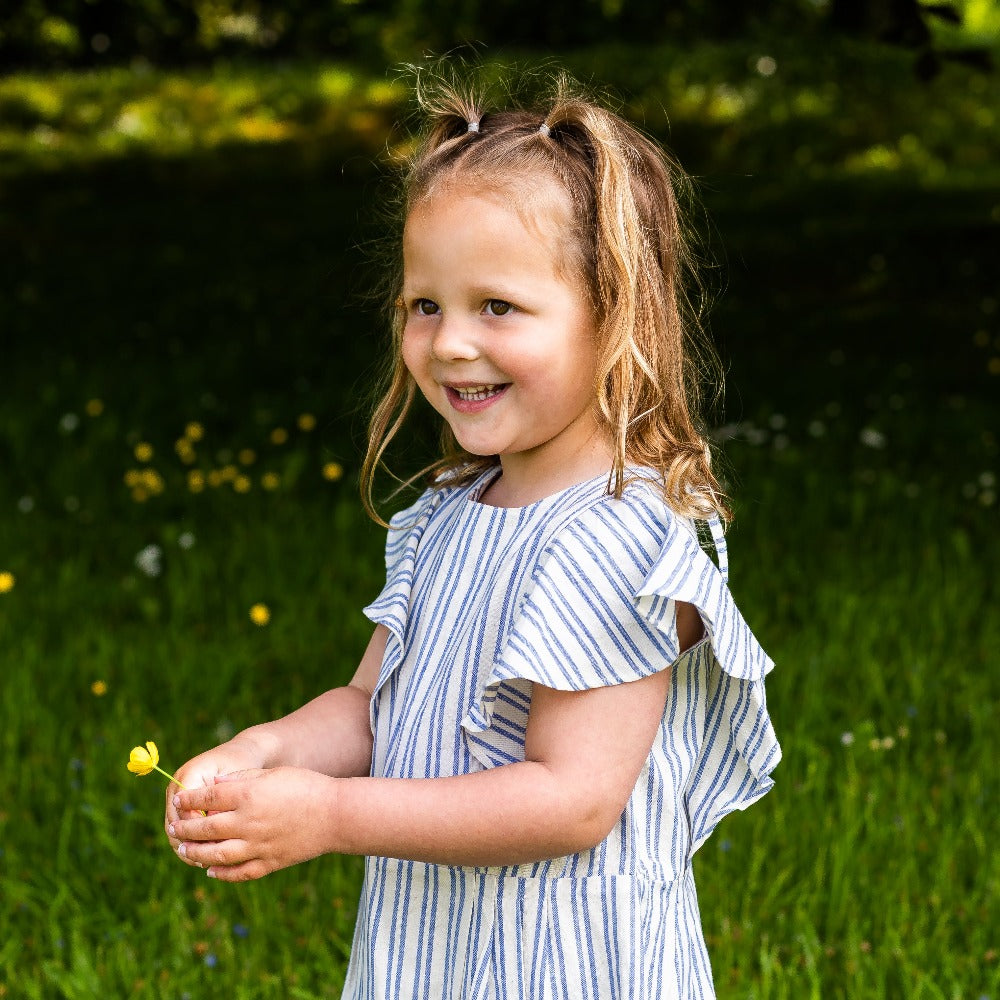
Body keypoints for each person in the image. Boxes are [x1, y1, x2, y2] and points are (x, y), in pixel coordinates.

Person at [165, 68, 781, 999]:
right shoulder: (447, 517)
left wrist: (331, 814)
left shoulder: (616, 541)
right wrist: (268, 754)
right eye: (427, 305)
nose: (451, 341)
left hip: (568, 966)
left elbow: (571, 800)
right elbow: (370, 708)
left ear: (612, 315)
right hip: (433, 954)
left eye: (497, 306)